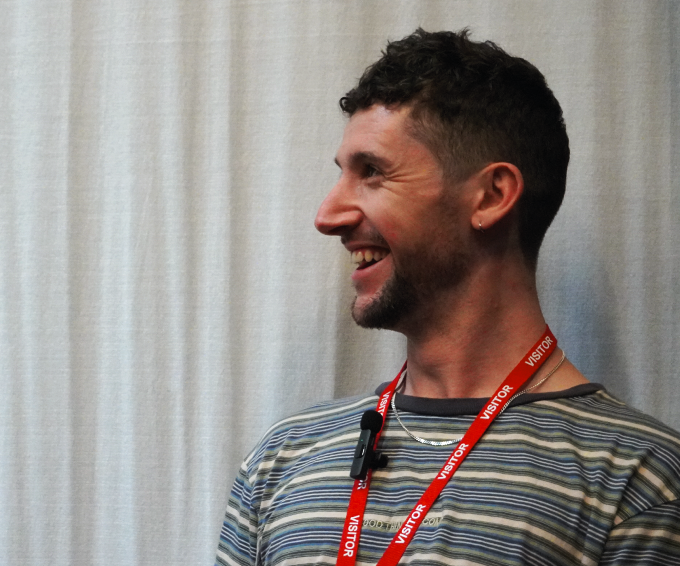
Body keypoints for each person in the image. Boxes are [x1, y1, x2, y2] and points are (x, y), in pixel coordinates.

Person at [215, 29, 680, 566]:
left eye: (372, 173)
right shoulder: (282, 459)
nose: (327, 216)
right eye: (342, 174)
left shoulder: (639, 484)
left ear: (491, 196)